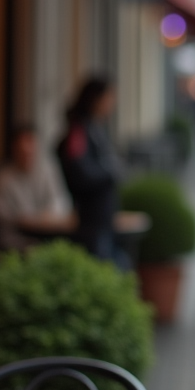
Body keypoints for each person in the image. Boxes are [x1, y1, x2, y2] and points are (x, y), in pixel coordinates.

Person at [57, 76, 124, 265]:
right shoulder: (79, 131)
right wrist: (111, 173)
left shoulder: (96, 129)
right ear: (96, 99)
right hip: (90, 218)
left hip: (102, 216)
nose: (112, 103)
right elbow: (80, 172)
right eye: (109, 97)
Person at [0, 125, 67, 251]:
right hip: (16, 242)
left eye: (31, 147)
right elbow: (3, 217)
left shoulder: (47, 171)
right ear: (13, 149)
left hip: (47, 237)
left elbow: (59, 200)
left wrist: (48, 215)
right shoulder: (2, 180)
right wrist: (31, 219)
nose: (27, 152)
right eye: (22, 150)